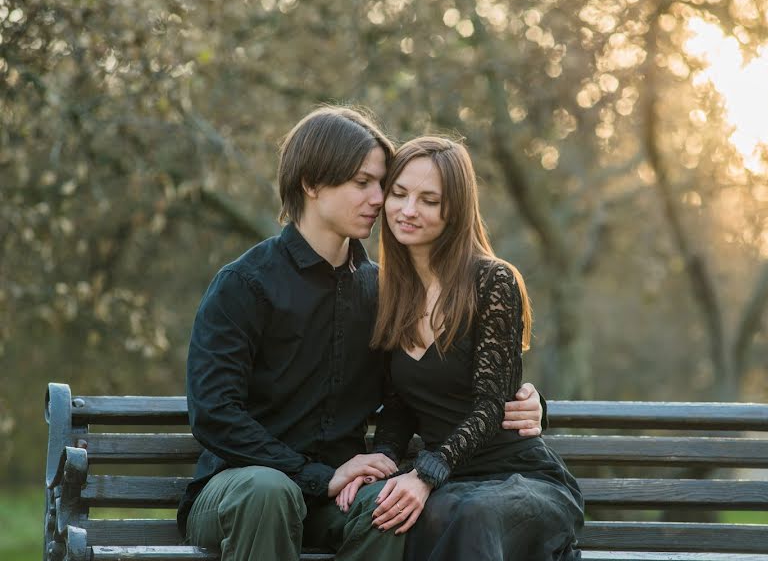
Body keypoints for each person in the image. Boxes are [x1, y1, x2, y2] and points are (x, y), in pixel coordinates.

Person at [177, 107, 546, 561]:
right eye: (362, 183)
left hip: (339, 495)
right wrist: (314, 474)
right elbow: (214, 413)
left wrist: (524, 397)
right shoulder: (244, 285)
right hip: (241, 492)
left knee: (387, 506)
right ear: (312, 184)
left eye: (381, 184)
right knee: (268, 490)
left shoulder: (382, 292)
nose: (380, 199)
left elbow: (420, 388)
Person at [342, 136, 584, 560]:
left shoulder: (493, 282)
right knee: (412, 513)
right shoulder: (388, 293)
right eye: (398, 193)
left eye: (429, 200)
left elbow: (491, 406)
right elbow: (398, 406)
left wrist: (426, 473)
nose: (408, 209)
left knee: (467, 515)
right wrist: (380, 460)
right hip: (453, 485)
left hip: (520, 480)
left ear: (453, 209)